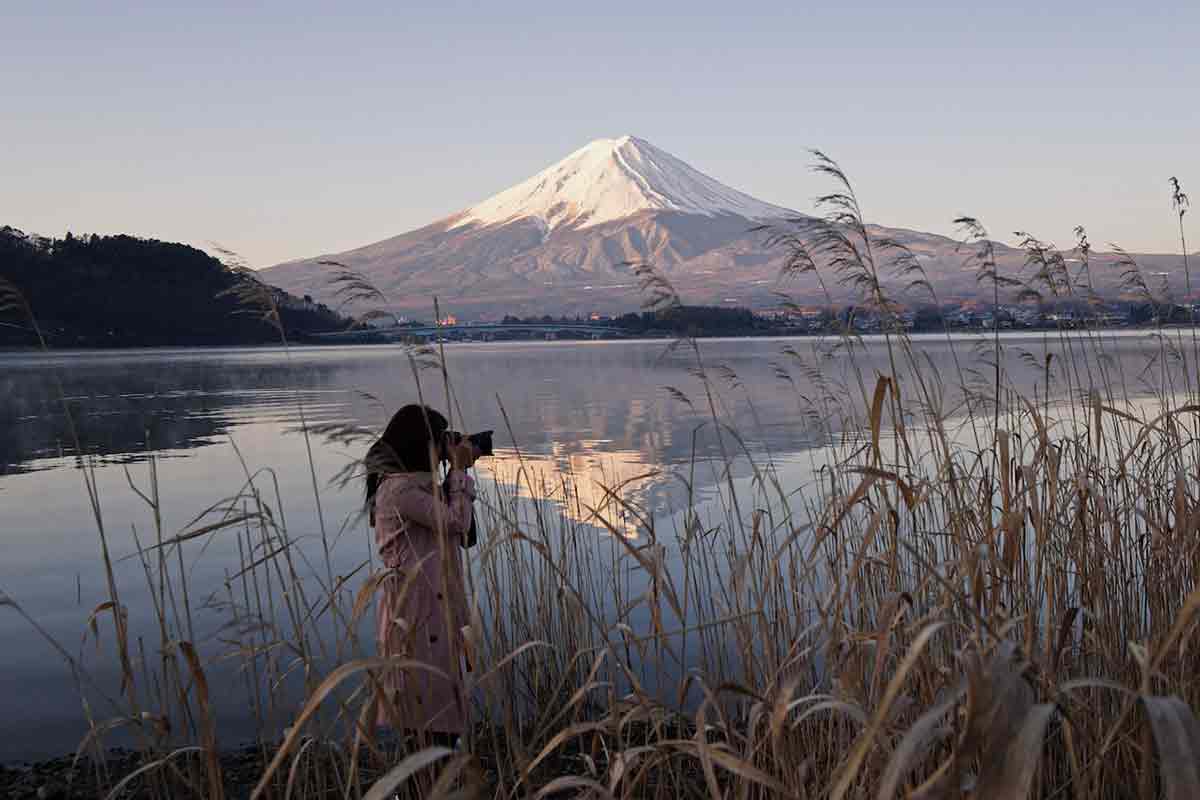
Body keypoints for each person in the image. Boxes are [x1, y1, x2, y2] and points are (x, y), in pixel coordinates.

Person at [364, 404, 479, 748]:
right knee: (427, 720)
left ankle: (429, 784)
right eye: (441, 441)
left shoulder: (418, 487)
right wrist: (458, 472)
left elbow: (464, 533)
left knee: (437, 720)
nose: (446, 448)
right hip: (416, 618)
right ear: (421, 444)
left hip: (430, 612)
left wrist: (452, 478)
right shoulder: (400, 491)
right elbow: (456, 523)